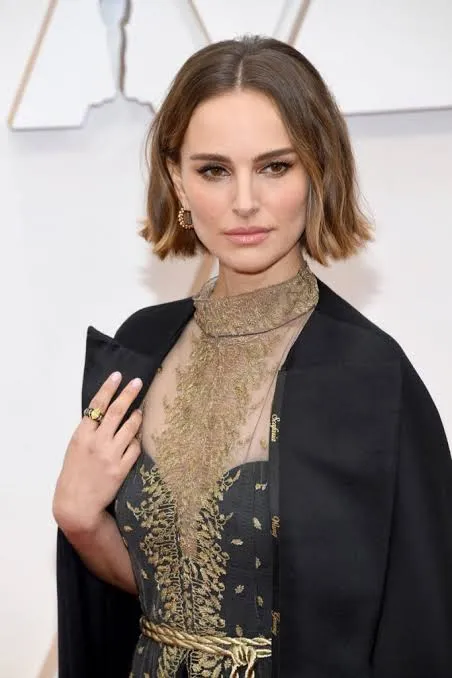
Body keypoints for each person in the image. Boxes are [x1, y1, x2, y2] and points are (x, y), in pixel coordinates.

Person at [53, 35, 452, 678]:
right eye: (214, 170)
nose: (244, 201)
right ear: (178, 180)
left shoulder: (371, 381)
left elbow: (419, 627)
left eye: (275, 167)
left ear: (317, 171)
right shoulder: (140, 348)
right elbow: (157, 594)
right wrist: (79, 522)